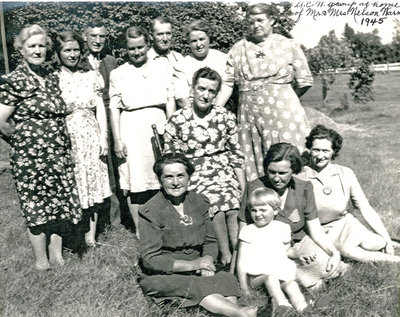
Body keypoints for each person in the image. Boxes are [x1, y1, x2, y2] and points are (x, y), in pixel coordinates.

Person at [0, 25, 81, 270]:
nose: (37, 51)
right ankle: (41, 261)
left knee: (57, 203)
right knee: (35, 205)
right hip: (30, 157)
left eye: (41, 46)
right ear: (21, 50)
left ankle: (57, 256)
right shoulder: (14, 80)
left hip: (57, 153)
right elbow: (0, 121)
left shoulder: (51, 77)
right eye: (31, 46)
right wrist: (22, 142)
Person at [138, 153, 259, 317]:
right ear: (160, 180)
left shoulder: (199, 201)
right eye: (169, 177)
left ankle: (232, 313)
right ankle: (241, 313)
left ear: (189, 177)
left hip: (198, 267)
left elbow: (210, 240)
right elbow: (150, 259)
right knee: (196, 284)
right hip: (166, 273)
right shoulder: (150, 210)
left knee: (226, 279)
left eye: (181, 175)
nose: (175, 182)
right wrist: (194, 265)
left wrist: (208, 260)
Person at [215, 3, 313, 182]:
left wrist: (284, 96)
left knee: (286, 156)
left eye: (260, 20)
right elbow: (227, 84)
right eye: (251, 22)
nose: (255, 25)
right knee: (255, 158)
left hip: (283, 115)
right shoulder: (239, 48)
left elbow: (305, 80)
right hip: (249, 116)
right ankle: (261, 204)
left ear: (272, 20)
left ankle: (296, 202)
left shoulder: (287, 44)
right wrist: (213, 111)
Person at [163, 67, 246, 266]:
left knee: (234, 206)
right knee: (215, 206)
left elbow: (235, 153)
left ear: (216, 94)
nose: (205, 95)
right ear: (192, 90)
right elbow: (171, 159)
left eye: (211, 91)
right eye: (201, 89)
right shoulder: (177, 120)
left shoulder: (224, 117)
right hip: (192, 173)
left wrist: (242, 185)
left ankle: (239, 257)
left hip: (222, 170)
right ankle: (225, 256)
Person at [239, 142, 342, 291]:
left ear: (293, 170)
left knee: (328, 265)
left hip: (298, 245)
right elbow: (243, 233)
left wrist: (334, 252)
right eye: (271, 172)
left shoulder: (304, 188)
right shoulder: (255, 188)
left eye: (282, 173)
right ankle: (305, 284)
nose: (275, 178)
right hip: (267, 249)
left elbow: (315, 228)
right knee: (296, 276)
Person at [297, 124, 400, 263]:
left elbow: (365, 208)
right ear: (309, 149)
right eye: (316, 150)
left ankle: (388, 243)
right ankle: (394, 261)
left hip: (344, 223)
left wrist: (386, 239)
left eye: (325, 151)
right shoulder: (300, 176)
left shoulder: (345, 173)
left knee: (374, 244)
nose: (320, 156)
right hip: (318, 231)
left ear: (334, 152)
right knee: (349, 251)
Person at [109, 26, 175, 239]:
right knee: (134, 181)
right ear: (125, 49)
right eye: (131, 48)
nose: (136, 52)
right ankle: (140, 230)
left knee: (161, 176)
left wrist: (171, 129)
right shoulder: (118, 74)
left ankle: (164, 224)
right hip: (131, 129)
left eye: (140, 47)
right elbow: (114, 108)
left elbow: (169, 99)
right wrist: (118, 139)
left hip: (158, 125)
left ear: (148, 45)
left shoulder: (162, 67)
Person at [54, 30, 111, 247]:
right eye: (67, 50)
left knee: (93, 182)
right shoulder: (54, 79)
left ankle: (90, 236)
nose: (72, 55)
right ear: (59, 53)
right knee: (74, 184)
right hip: (67, 136)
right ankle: (73, 235)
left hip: (91, 134)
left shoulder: (91, 75)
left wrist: (103, 138)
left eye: (76, 50)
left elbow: (100, 109)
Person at [237, 188, 308, 316]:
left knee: (291, 284)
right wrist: (244, 287)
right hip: (258, 277)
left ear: (275, 210)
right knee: (271, 279)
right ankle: (283, 306)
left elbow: (287, 251)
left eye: (263, 210)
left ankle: (303, 307)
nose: (258, 214)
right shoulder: (248, 231)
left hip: (280, 271)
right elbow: (241, 260)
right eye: (254, 210)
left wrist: (297, 254)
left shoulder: (282, 228)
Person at [83, 18, 122, 228]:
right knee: (96, 167)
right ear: (85, 37)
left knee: (114, 169)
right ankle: (94, 219)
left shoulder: (111, 61)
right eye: (93, 36)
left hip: (110, 115)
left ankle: (114, 220)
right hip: (89, 119)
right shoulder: (78, 61)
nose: (97, 41)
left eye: (102, 36)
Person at [148, 16, 190, 108]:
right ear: (151, 36)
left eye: (168, 33)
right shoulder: (145, 60)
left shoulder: (179, 59)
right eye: (160, 34)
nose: (165, 38)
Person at [181, 20, 227, 90]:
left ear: (209, 39)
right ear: (188, 43)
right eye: (194, 41)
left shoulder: (222, 59)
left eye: (201, 39)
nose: (198, 45)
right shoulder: (183, 64)